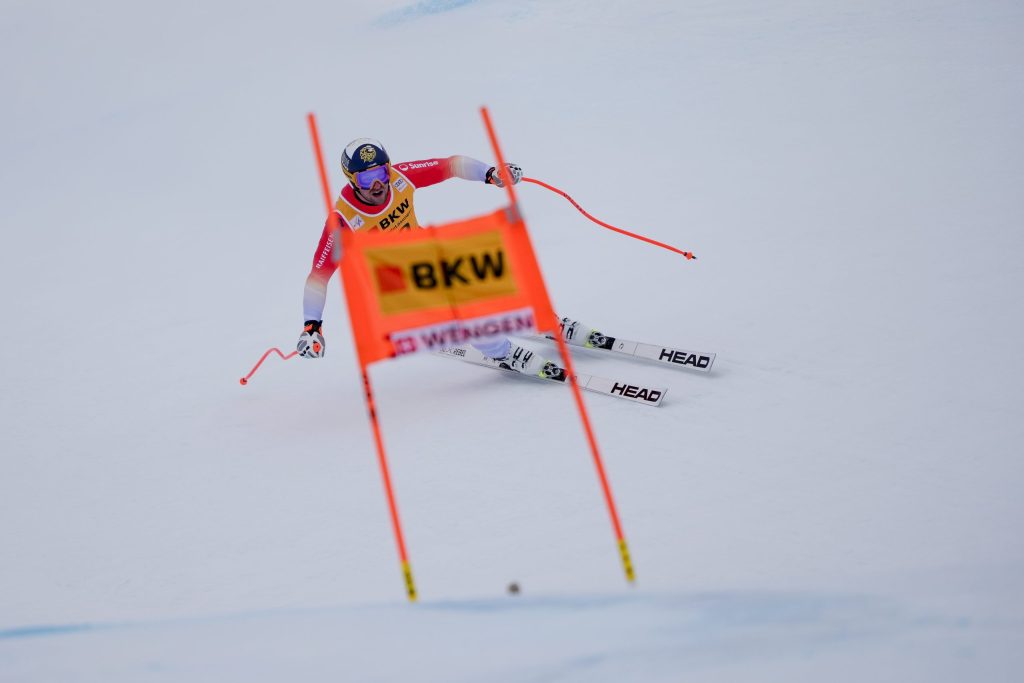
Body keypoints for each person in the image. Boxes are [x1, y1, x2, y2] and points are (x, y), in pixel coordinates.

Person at [298, 137, 589, 377]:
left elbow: (451, 165)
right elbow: (318, 276)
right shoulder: (344, 219)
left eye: (381, 173)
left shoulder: (401, 177)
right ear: (352, 180)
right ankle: (504, 353)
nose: (378, 184)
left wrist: (491, 173)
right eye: (366, 178)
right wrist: (312, 327)